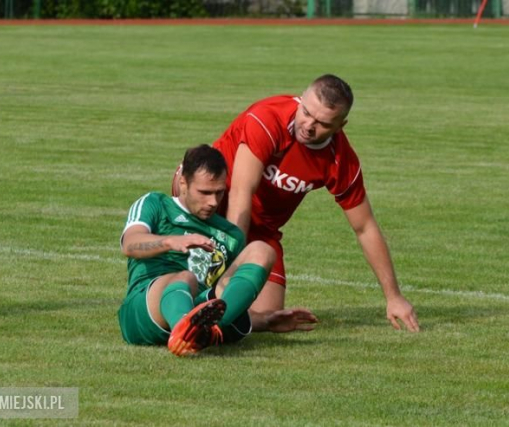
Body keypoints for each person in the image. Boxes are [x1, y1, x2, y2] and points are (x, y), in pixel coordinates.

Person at [172, 75, 420, 332]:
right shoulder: (268, 119)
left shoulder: (340, 161)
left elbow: (365, 227)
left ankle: (206, 310)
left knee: (268, 315)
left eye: (323, 123)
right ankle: (176, 288)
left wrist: (394, 297)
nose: (309, 126)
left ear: (340, 125)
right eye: (306, 112)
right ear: (301, 100)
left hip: (262, 229)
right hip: (216, 203)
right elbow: (241, 192)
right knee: (195, 206)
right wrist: (229, 264)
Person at [118, 144, 317, 357]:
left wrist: (265, 320)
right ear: (183, 183)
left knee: (262, 250)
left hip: (200, 306)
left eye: (219, 192)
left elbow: (224, 296)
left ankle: (206, 331)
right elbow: (130, 244)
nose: (213, 202)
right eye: (204, 192)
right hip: (146, 308)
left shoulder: (230, 234)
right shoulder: (156, 204)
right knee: (186, 277)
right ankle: (186, 330)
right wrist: (170, 242)